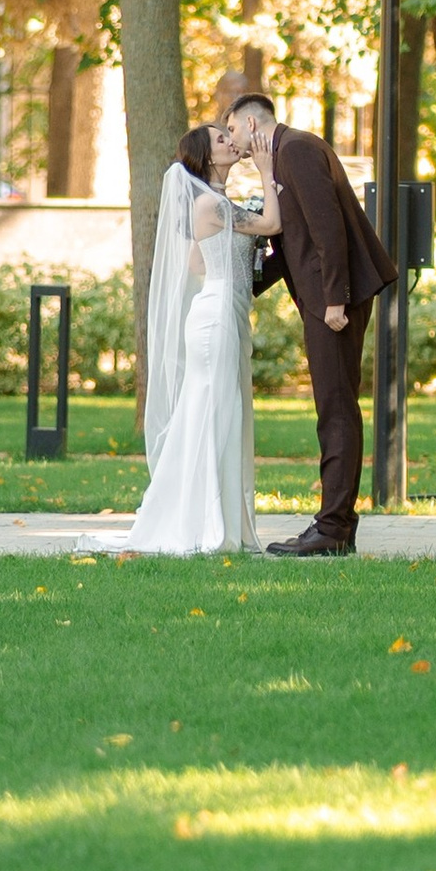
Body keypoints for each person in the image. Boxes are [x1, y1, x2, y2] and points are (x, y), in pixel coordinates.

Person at [205, 77, 395, 557]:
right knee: (333, 407)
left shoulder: (298, 150)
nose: (235, 145)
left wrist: (335, 298)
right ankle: (337, 525)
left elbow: (328, 225)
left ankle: (332, 528)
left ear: (251, 123)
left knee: (336, 409)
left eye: (232, 131)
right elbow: (291, 241)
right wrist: (244, 285)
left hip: (336, 300)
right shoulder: (283, 156)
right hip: (325, 296)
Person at [126, 125, 257, 554]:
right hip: (215, 315)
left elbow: (198, 260)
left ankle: (205, 516)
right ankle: (205, 523)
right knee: (214, 410)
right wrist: (268, 168)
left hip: (214, 309)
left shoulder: (212, 205)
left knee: (211, 408)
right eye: (221, 140)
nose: (229, 142)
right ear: (206, 156)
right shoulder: (212, 203)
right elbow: (272, 224)